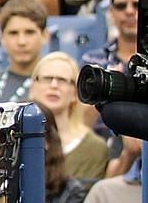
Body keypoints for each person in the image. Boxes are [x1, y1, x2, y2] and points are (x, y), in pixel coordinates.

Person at [31, 51, 110, 182]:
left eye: (62, 80)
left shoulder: (94, 148)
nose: (54, 85)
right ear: (34, 86)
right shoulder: (14, 139)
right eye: (47, 78)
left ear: (75, 92)